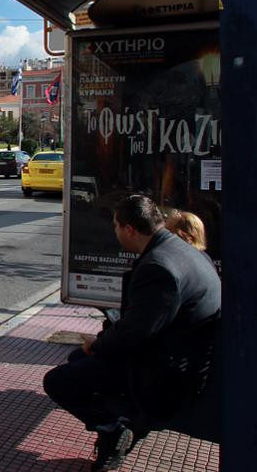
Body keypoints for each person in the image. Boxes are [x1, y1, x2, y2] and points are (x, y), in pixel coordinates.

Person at [42, 195, 220, 472]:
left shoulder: (158, 267)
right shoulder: (182, 250)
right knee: (77, 359)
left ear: (129, 229)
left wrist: (98, 345)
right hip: (184, 356)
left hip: (167, 377)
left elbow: (134, 335)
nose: (114, 232)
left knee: (57, 381)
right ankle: (116, 429)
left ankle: (116, 429)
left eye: (115, 226)